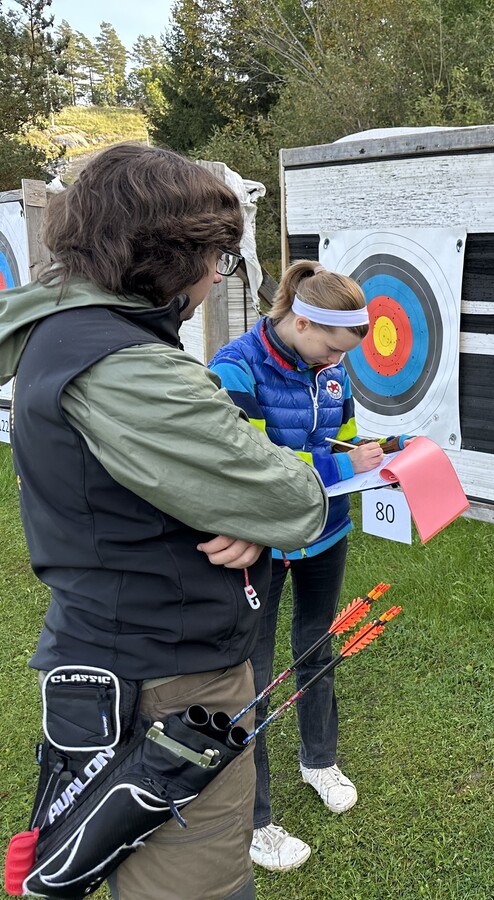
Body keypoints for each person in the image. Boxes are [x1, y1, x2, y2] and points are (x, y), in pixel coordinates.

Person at [0, 143, 330, 899]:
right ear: (164, 257)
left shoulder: (66, 327)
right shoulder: (127, 365)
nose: (217, 276)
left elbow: (193, 485)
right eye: (214, 257)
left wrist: (235, 506)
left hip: (128, 650)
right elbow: (292, 501)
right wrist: (259, 507)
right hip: (170, 681)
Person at [209, 261, 384, 872]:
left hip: (324, 531)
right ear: (302, 322)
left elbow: (342, 436)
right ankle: (254, 820)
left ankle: (319, 760)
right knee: (251, 677)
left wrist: (376, 459)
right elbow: (255, 467)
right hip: (259, 541)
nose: (337, 363)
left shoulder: (331, 368)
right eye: (332, 348)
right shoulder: (236, 367)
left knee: (317, 646)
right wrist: (344, 467)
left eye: (345, 355)